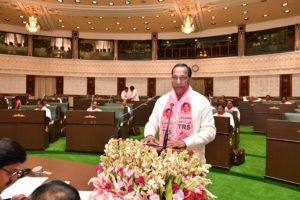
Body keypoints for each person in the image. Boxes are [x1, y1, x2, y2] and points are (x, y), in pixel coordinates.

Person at [142, 63, 216, 163]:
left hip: (191, 159)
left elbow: (210, 131)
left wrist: (185, 142)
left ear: (190, 79)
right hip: (164, 158)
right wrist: (149, 134)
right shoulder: (162, 100)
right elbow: (152, 122)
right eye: (174, 77)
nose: (178, 81)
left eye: (182, 78)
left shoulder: (201, 101)